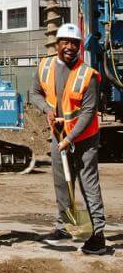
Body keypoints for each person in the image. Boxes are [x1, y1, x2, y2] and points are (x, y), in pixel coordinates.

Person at [30, 23, 107, 255]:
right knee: (62, 183)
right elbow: (34, 93)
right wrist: (46, 109)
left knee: (87, 184)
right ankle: (64, 226)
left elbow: (87, 113)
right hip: (59, 136)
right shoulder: (44, 66)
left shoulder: (88, 75)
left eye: (75, 43)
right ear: (57, 44)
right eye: (66, 42)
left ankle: (98, 235)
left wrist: (69, 139)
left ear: (80, 47)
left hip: (84, 139)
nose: (70, 47)